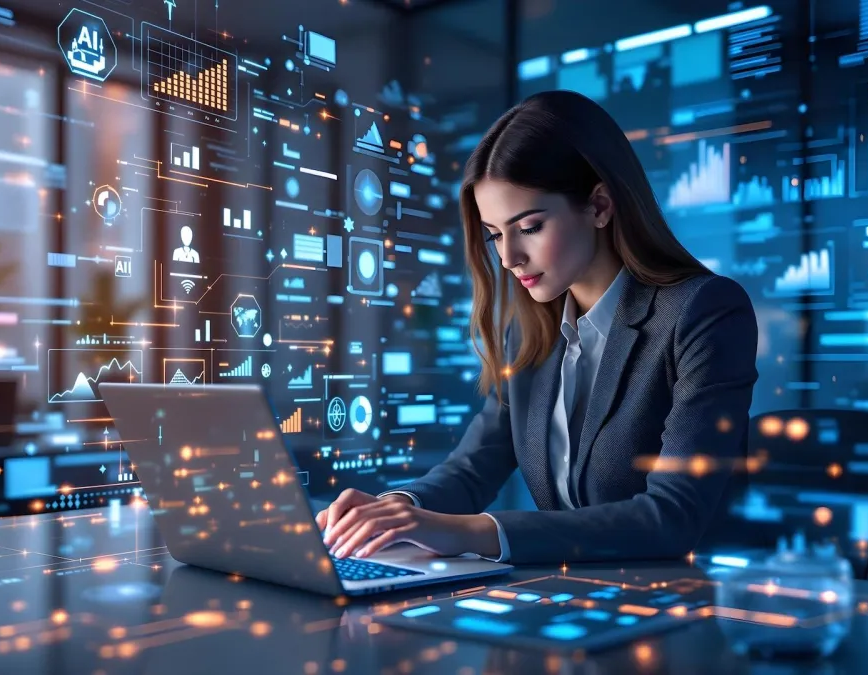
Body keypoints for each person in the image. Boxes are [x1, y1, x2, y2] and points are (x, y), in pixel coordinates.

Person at [316, 90, 758, 565]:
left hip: (685, 606)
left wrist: (466, 532)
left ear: (600, 205)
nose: (508, 258)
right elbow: (472, 469)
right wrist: (399, 508)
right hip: (566, 601)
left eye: (528, 227)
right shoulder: (528, 334)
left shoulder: (704, 311)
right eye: (494, 235)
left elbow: (672, 517)